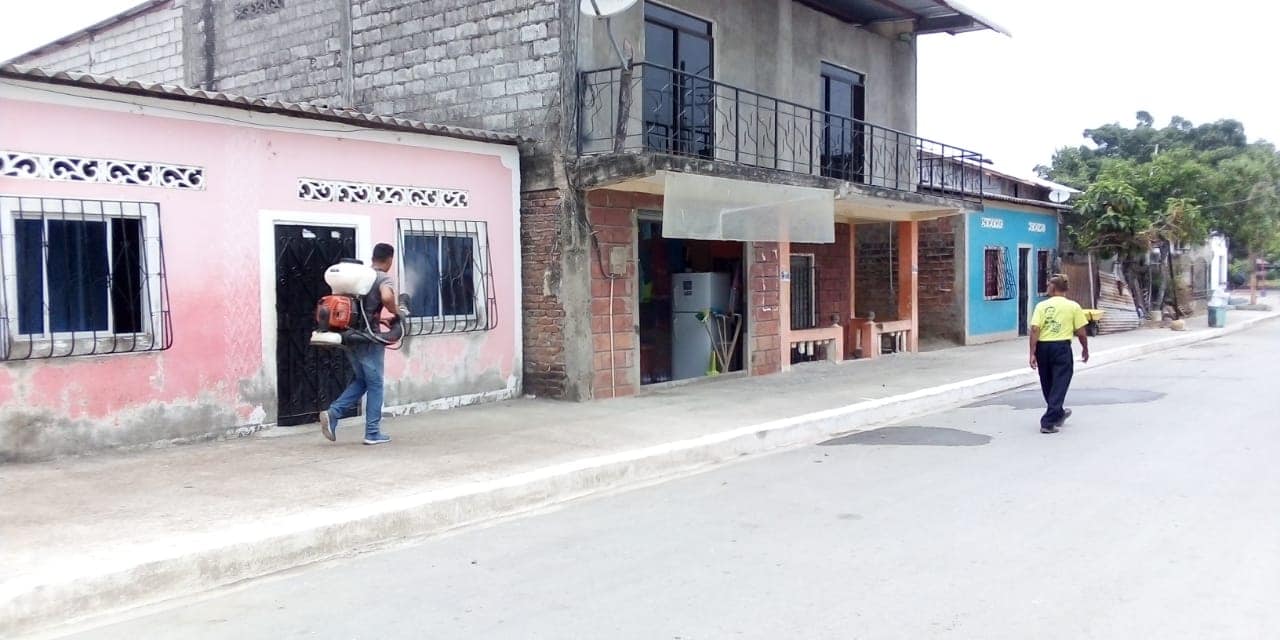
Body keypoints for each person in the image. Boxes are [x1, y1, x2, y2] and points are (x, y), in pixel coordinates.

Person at [320, 243, 398, 445]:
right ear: (390, 259)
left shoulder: (360, 277)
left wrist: (379, 318)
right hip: (369, 340)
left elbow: (361, 309)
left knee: (362, 381)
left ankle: (334, 413)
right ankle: (372, 433)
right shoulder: (382, 278)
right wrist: (396, 311)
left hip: (350, 336)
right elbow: (386, 296)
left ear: (373, 257)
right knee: (376, 385)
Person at [1029, 273, 1090, 434]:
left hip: (1043, 348)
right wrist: (1085, 348)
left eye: (1049, 285)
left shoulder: (1041, 306)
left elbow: (1035, 329)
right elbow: (1081, 332)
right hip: (1061, 348)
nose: (1047, 287)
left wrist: (1032, 352)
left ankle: (1058, 413)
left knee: (1047, 382)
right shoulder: (1073, 306)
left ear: (1054, 287)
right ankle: (1048, 422)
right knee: (1060, 382)